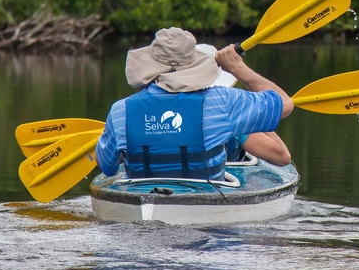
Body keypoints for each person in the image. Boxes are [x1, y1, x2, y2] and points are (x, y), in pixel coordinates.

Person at [95, 27, 294, 181]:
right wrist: (237, 67)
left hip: (141, 199)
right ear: (193, 62)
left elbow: (108, 168)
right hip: (205, 203)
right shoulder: (223, 102)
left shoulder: (120, 111)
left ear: (152, 64)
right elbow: (286, 105)